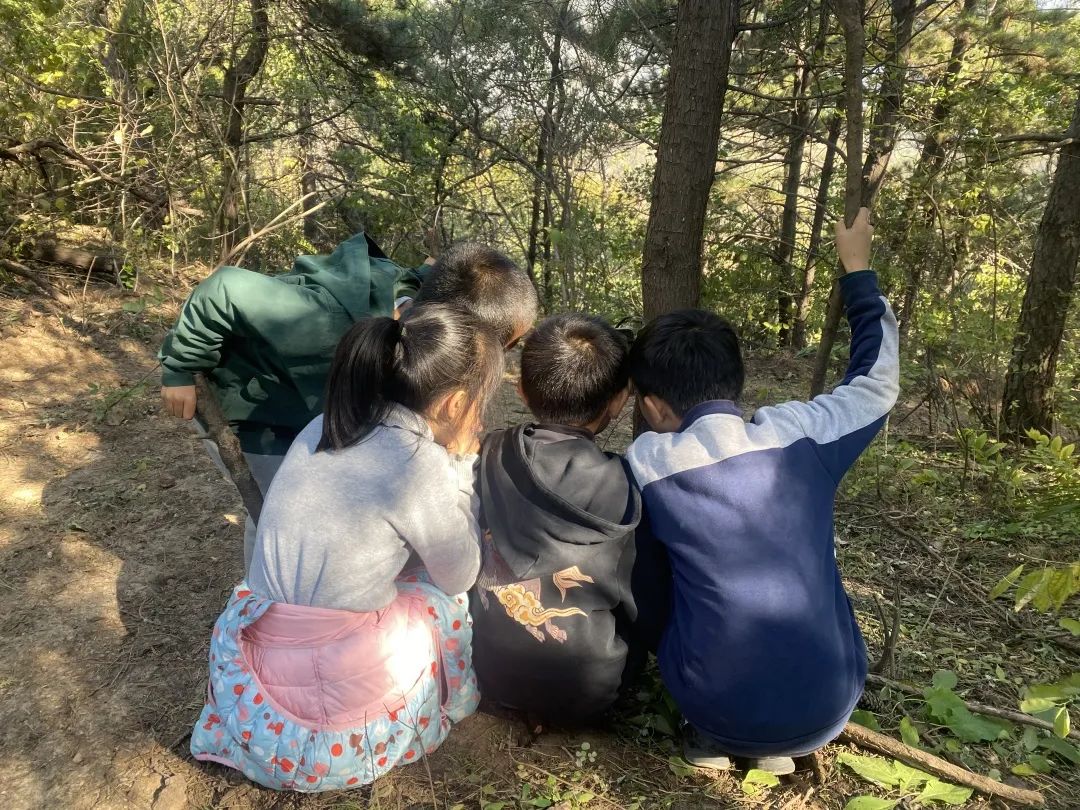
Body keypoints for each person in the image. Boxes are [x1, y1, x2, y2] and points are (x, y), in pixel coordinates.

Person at [625, 208, 898, 774]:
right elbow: (876, 384)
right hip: (831, 703)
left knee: (657, 567)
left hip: (711, 703)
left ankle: (713, 736)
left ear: (651, 406)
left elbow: (645, 591)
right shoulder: (801, 435)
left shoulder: (648, 465)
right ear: (736, 380)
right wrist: (857, 271)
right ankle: (783, 740)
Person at [189, 303, 504, 791]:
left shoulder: (324, 423)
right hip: (333, 718)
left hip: (253, 676)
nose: (482, 418)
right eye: (481, 404)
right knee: (443, 598)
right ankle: (452, 702)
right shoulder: (418, 461)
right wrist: (461, 470)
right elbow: (459, 572)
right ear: (455, 405)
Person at [158, 234, 537, 567]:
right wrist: (180, 368)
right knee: (276, 515)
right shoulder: (323, 319)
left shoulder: (423, 311)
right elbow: (224, 289)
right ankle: (266, 596)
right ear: (454, 330)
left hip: (312, 407)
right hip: (257, 410)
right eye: (504, 346)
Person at [470, 314, 642, 724]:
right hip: (594, 690)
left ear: (520, 389)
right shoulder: (626, 484)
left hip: (487, 673)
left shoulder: (486, 454)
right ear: (619, 400)